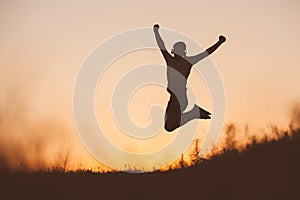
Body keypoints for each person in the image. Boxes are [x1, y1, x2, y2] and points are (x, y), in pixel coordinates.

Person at [153, 24, 226, 132]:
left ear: (183, 52)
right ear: (174, 50)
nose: (178, 51)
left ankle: (194, 113)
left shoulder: (187, 61)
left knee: (169, 126)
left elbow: (205, 53)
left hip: (180, 98)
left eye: (180, 49)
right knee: (169, 125)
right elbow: (161, 45)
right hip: (175, 97)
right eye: (177, 49)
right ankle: (194, 113)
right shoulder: (171, 60)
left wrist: (219, 43)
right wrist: (156, 32)